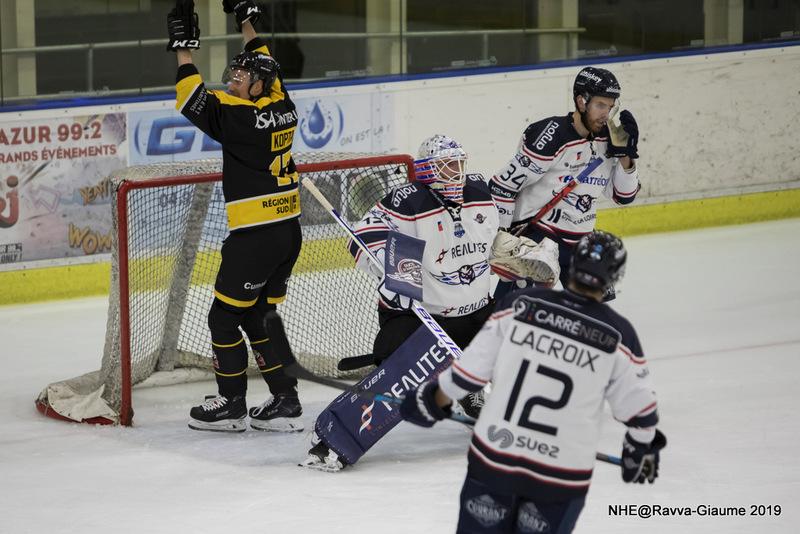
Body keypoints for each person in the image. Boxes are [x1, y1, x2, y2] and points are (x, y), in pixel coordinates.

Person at [401, 231, 666, 533]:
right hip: (560, 474)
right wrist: (638, 451)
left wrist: (428, 402)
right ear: (614, 278)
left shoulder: (518, 305)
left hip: (496, 460)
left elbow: (465, 376)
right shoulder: (620, 335)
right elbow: (641, 414)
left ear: (573, 264)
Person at [301, 135, 501, 471]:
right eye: (446, 166)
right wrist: (392, 269)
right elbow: (363, 237)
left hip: (477, 313)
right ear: (426, 170)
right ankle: (337, 438)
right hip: (423, 319)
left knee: (524, 343)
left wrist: (520, 251)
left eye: (459, 163)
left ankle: (481, 394)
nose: (456, 172)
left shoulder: (480, 192)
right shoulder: (408, 201)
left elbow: (501, 234)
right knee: (399, 369)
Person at [167, 0, 303, 432]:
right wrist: (246, 21)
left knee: (223, 318)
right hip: (287, 233)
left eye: (241, 78)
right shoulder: (282, 102)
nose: (233, 80)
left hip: (256, 239)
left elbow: (190, 96)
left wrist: (183, 48)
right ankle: (286, 400)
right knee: (257, 315)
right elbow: (264, 57)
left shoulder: (238, 117)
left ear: (257, 86)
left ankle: (231, 403)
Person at [491, 66, 641, 300]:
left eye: (610, 107)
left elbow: (624, 196)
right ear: (581, 101)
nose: (606, 114)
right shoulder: (550, 135)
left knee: (591, 310)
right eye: (600, 105)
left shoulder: (609, 138)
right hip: (537, 237)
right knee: (512, 308)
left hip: (580, 238)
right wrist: (502, 235)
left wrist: (626, 157)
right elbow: (503, 186)